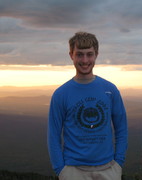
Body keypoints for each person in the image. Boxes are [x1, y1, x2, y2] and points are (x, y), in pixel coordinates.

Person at [47, 32, 128, 180]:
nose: (85, 60)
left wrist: (118, 164)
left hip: (108, 169)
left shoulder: (110, 90)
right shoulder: (61, 94)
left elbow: (121, 128)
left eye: (89, 54)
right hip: (73, 171)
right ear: (71, 55)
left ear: (96, 54)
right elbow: (53, 136)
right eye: (79, 54)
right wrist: (61, 170)